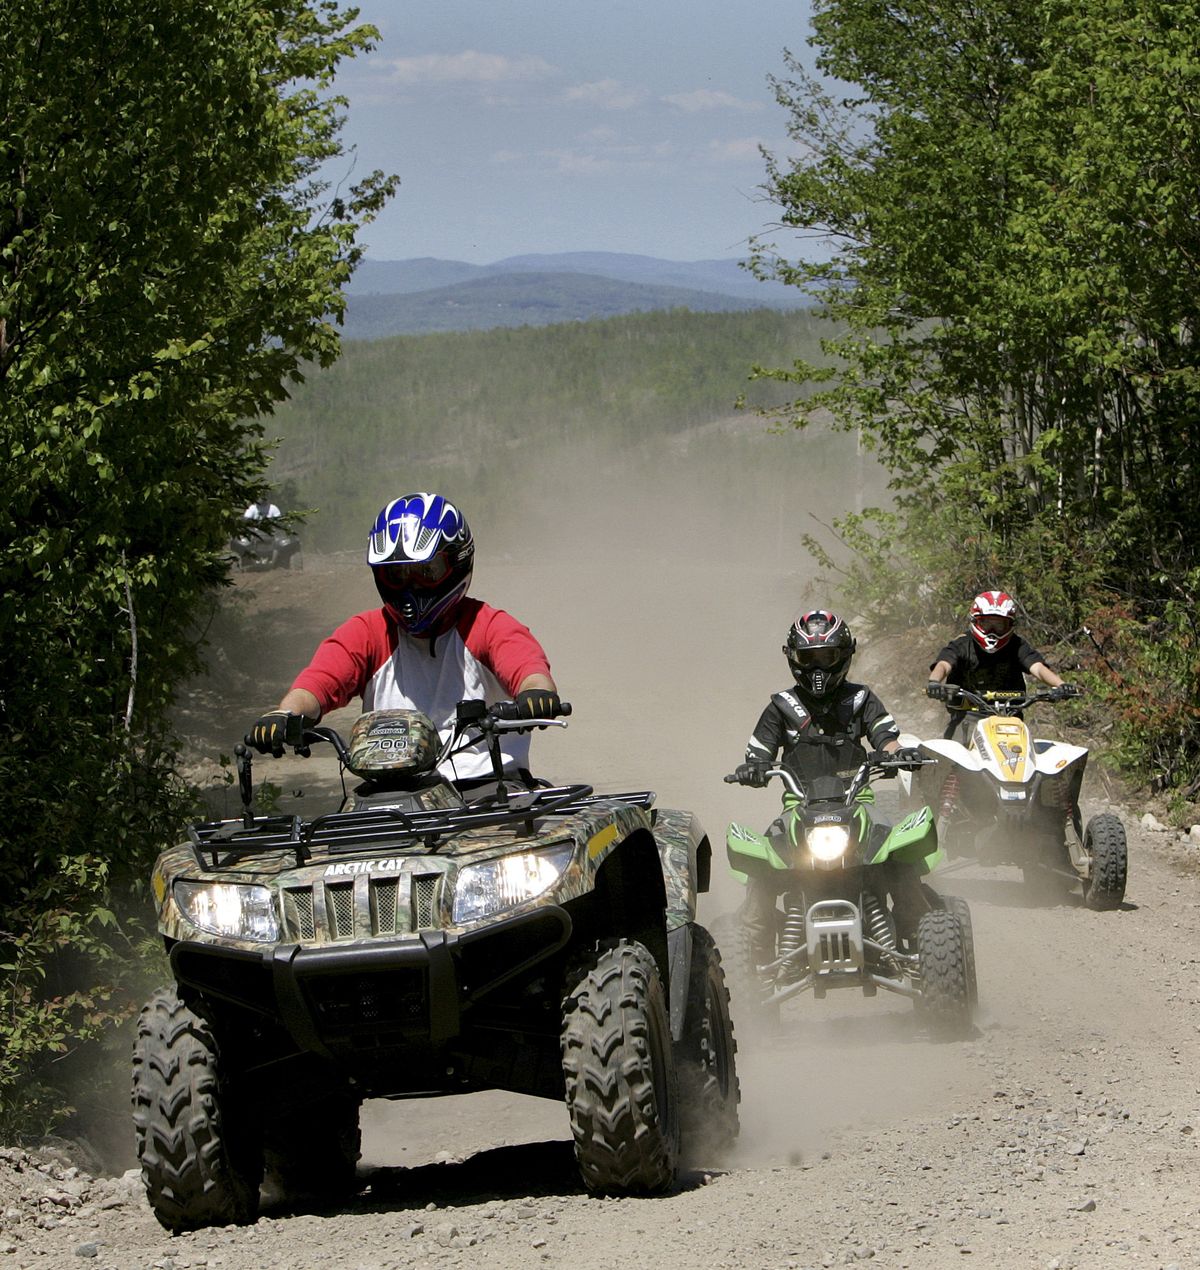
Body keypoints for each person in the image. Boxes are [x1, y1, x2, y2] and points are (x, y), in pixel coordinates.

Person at [247, 492, 560, 786]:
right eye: (397, 574)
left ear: (457, 562)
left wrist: (535, 695)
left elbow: (529, 671)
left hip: (489, 793)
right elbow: (318, 683)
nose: (412, 586)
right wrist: (285, 715)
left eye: (427, 570)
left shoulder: (488, 625)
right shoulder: (367, 632)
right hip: (393, 798)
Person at [732, 609, 927, 964]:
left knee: (899, 855)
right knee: (761, 864)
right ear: (793, 659)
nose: (817, 669)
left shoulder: (861, 699)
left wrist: (897, 754)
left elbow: (886, 738)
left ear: (844, 655)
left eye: (826, 657)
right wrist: (753, 769)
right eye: (808, 658)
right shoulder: (781, 706)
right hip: (798, 807)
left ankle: (921, 936)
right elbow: (758, 752)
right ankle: (751, 957)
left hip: (859, 801)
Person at [926, 590, 1069, 739]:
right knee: (953, 755)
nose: (992, 632)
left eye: (999, 625)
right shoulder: (962, 643)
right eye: (987, 624)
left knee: (1024, 756)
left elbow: (1038, 668)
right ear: (975, 621)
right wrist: (934, 683)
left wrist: (1061, 685)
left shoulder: (1017, 645)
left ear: (1010, 625)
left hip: (1011, 719)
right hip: (966, 717)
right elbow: (944, 664)